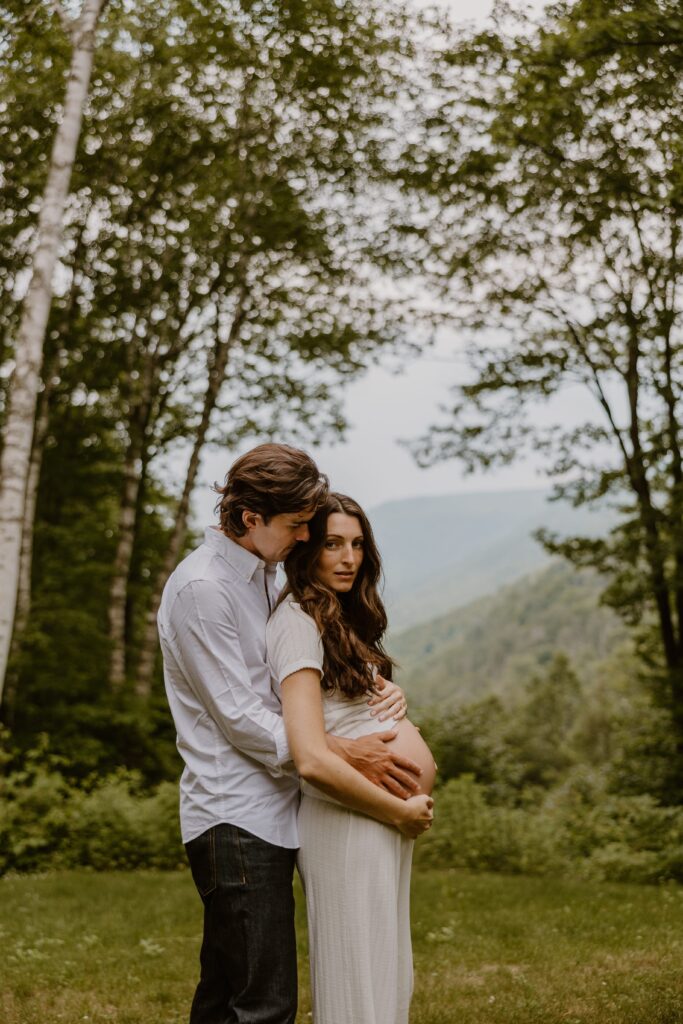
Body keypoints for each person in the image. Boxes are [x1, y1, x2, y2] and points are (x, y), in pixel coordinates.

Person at [158, 444, 423, 1024]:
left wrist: (376, 694)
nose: (306, 538)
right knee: (263, 1003)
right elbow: (240, 718)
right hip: (235, 815)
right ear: (251, 518)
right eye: (298, 525)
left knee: (228, 993)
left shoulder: (264, 575)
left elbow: (294, 683)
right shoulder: (203, 590)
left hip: (272, 812)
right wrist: (339, 752)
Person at [266, 492, 436, 1024]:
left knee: (385, 968)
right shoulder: (297, 619)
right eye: (333, 543)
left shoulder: (339, 618)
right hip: (347, 815)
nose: (349, 558)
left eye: (358, 544)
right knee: (355, 975)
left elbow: (347, 708)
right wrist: (398, 810)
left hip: (375, 816)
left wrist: (393, 698)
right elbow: (310, 754)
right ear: (307, 548)